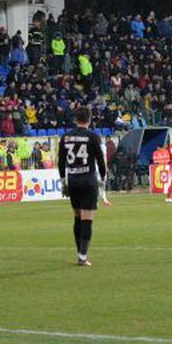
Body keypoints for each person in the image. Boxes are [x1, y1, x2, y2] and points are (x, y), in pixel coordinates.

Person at [58, 106, 106, 267]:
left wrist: (63, 181)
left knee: (77, 217)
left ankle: (79, 253)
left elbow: (61, 161)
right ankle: (83, 256)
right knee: (87, 219)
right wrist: (103, 179)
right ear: (89, 119)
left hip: (73, 181)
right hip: (88, 180)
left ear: (75, 119)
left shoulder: (65, 137)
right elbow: (100, 160)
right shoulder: (92, 137)